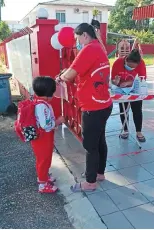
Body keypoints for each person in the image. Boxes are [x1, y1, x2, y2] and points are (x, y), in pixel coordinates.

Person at [56, 23, 113, 192]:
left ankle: (90, 182)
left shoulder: (88, 49)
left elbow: (70, 74)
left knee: (90, 145)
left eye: (77, 38)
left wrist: (60, 77)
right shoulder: (99, 48)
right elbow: (80, 69)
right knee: (100, 141)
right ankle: (99, 173)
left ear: (85, 35)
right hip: (103, 105)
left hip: (93, 108)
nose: (77, 42)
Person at [31, 76, 65, 193]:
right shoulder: (42, 106)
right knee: (43, 160)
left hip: (43, 138)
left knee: (44, 158)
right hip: (42, 138)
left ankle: (44, 176)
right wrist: (58, 121)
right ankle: (42, 184)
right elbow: (46, 125)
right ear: (49, 93)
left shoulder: (39, 102)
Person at [111, 49, 147, 142]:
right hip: (122, 91)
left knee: (137, 110)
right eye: (129, 66)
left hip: (135, 90)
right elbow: (112, 80)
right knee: (123, 109)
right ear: (126, 60)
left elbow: (142, 78)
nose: (130, 68)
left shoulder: (141, 63)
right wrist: (116, 82)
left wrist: (128, 83)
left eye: (133, 67)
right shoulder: (118, 63)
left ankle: (139, 132)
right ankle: (125, 130)